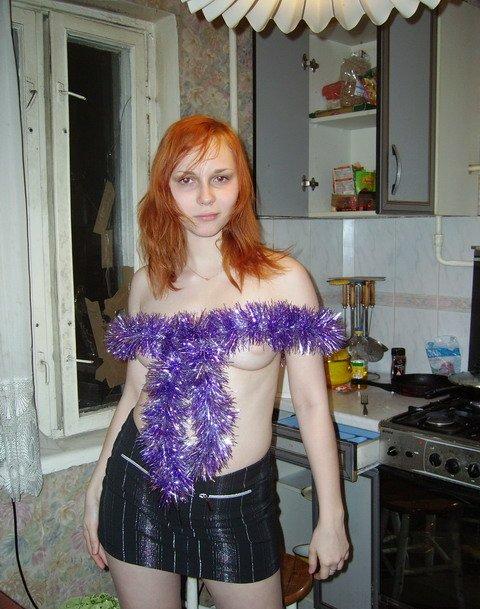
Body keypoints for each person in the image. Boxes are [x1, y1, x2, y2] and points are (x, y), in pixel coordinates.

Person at [83, 115, 350, 609]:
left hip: (236, 503)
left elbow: (313, 405)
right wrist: (97, 485)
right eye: (187, 180)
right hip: (138, 485)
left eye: (220, 178)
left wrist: (331, 515)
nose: (205, 197)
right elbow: (135, 392)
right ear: (165, 190)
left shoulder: (285, 280)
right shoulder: (148, 283)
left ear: (240, 185)